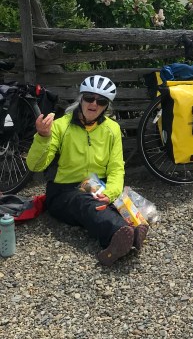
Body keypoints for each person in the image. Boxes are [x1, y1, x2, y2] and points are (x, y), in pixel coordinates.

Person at [26, 75, 147, 265]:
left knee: (120, 198)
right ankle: (117, 234)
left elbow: (116, 167)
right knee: (88, 204)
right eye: (89, 98)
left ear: (106, 106)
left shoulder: (112, 128)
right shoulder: (60, 126)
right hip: (64, 190)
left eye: (101, 101)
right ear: (80, 99)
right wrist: (43, 137)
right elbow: (35, 166)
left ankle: (134, 229)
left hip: (96, 185)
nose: (94, 104)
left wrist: (110, 192)